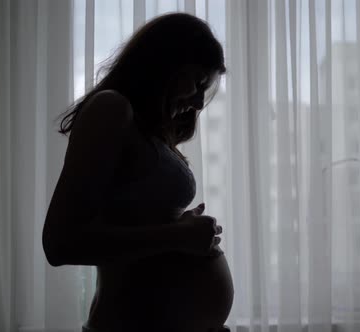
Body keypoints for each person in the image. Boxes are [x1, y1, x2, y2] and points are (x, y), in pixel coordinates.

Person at [42, 13, 233, 332]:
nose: (199, 102)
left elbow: (133, 218)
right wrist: (179, 235)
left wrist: (180, 227)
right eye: (198, 82)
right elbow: (61, 244)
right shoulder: (111, 109)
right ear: (165, 64)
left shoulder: (150, 130)